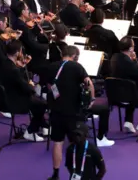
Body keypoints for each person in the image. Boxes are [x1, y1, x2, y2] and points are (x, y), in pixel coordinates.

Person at [45, 45, 113, 180]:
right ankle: (78, 172)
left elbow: (49, 85)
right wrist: (92, 99)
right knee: (77, 143)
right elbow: (89, 83)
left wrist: (57, 95)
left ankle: (55, 174)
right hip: (73, 113)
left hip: (56, 111)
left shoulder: (52, 67)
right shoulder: (77, 67)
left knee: (57, 143)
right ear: (75, 56)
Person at [0, 40, 48, 141]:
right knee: (42, 104)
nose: (22, 53)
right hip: (14, 100)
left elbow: (17, 80)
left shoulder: (4, 64)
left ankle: (44, 126)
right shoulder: (13, 70)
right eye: (21, 51)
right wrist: (31, 86)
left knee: (37, 101)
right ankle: (30, 132)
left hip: (7, 96)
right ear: (17, 53)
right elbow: (25, 86)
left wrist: (23, 66)